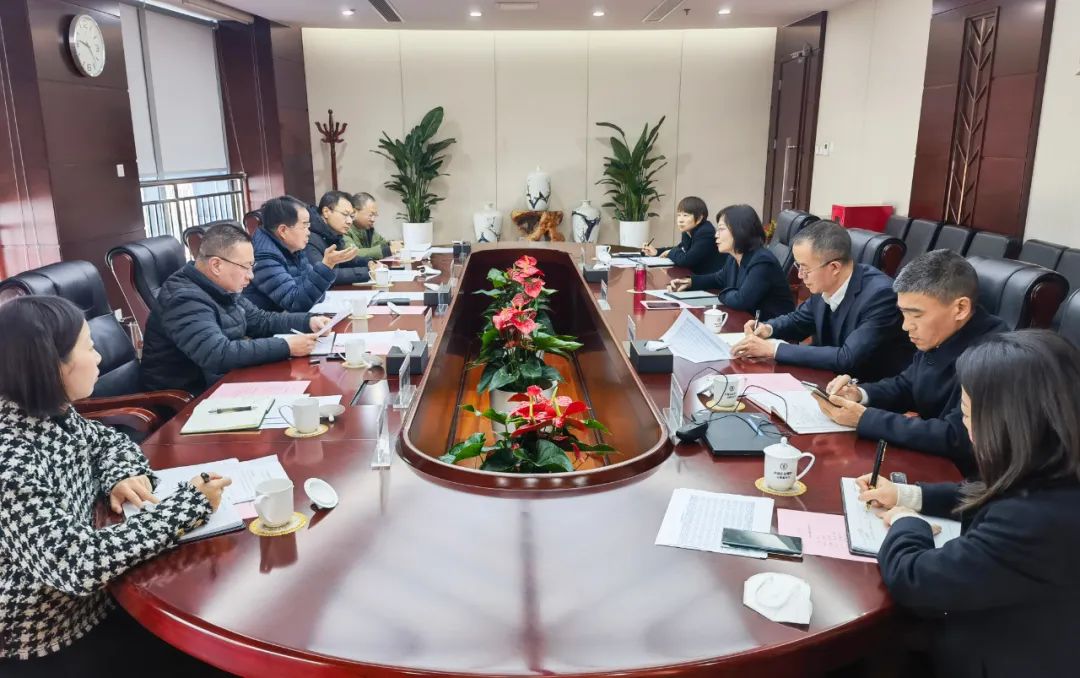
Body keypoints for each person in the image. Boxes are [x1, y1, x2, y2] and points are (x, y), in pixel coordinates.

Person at [0, 296, 232, 676]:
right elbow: (77, 564)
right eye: (89, 347)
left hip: (105, 597)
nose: (99, 357)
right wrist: (189, 505)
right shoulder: (11, 460)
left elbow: (109, 442)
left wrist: (120, 474)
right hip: (50, 634)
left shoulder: (49, 412)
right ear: (51, 364)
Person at [857, 330, 1080, 678]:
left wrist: (905, 522)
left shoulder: (1034, 521)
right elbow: (989, 491)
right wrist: (907, 495)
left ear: (1008, 422)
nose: (964, 427)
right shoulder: (1055, 462)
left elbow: (915, 580)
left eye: (965, 413)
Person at [817, 251, 1007, 476]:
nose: (906, 326)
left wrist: (865, 419)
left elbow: (957, 436)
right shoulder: (944, 332)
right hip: (932, 461)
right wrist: (859, 394)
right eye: (904, 314)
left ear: (960, 308)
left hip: (967, 480)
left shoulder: (995, 356)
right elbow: (907, 385)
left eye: (916, 315)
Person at [142, 222, 327, 395]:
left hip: (226, 382)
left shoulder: (218, 286)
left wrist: (308, 322)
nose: (251, 276)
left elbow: (260, 320)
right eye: (245, 267)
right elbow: (217, 354)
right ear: (216, 265)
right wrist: (287, 347)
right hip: (192, 399)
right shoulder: (184, 299)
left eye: (252, 266)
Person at [731, 220, 913, 381]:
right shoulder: (825, 282)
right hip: (827, 378)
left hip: (867, 391)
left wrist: (773, 349)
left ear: (834, 267)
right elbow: (799, 320)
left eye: (805, 268)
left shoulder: (881, 296)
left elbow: (847, 357)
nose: (800, 275)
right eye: (798, 266)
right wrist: (767, 328)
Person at [666, 204, 794, 321]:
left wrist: (722, 293)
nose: (716, 235)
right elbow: (718, 279)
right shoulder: (735, 256)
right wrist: (689, 282)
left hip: (770, 330)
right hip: (747, 321)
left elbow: (741, 300)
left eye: (721, 229)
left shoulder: (762, 261)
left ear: (740, 230)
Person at [244, 195, 358, 312]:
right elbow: (295, 303)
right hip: (270, 322)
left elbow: (316, 295)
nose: (308, 232)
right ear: (283, 230)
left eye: (309, 226)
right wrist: (326, 266)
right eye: (304, 225)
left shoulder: (294, 247)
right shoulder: (265, 256)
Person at [305, 190, 379, 285]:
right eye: (345, 214)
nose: (349, 221)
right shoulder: (309, 237)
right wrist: (368, 272)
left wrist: (368, 263)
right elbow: (324, 274)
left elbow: (344, 259)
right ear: (326, 212)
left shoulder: (332, 234)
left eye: (351, 216)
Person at [641, 196, 726, 276]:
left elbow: (686, 260)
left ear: (699, 218)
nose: (680, 220)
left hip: (711, 281)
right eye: (679, 215)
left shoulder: (706, 232)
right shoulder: (688, 231)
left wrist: (670, 252)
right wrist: (656, 251)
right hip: (695, 276)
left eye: (685, 215)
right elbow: (680, 248)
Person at [343, 192, 403, 259]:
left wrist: (392, 244)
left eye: (375, 215)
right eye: (371, 215)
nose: (373, 220)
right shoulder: (344, 228)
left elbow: (380, 243)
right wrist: (387, 250)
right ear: (354, 212)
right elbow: (353, 254)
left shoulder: (366, 228)